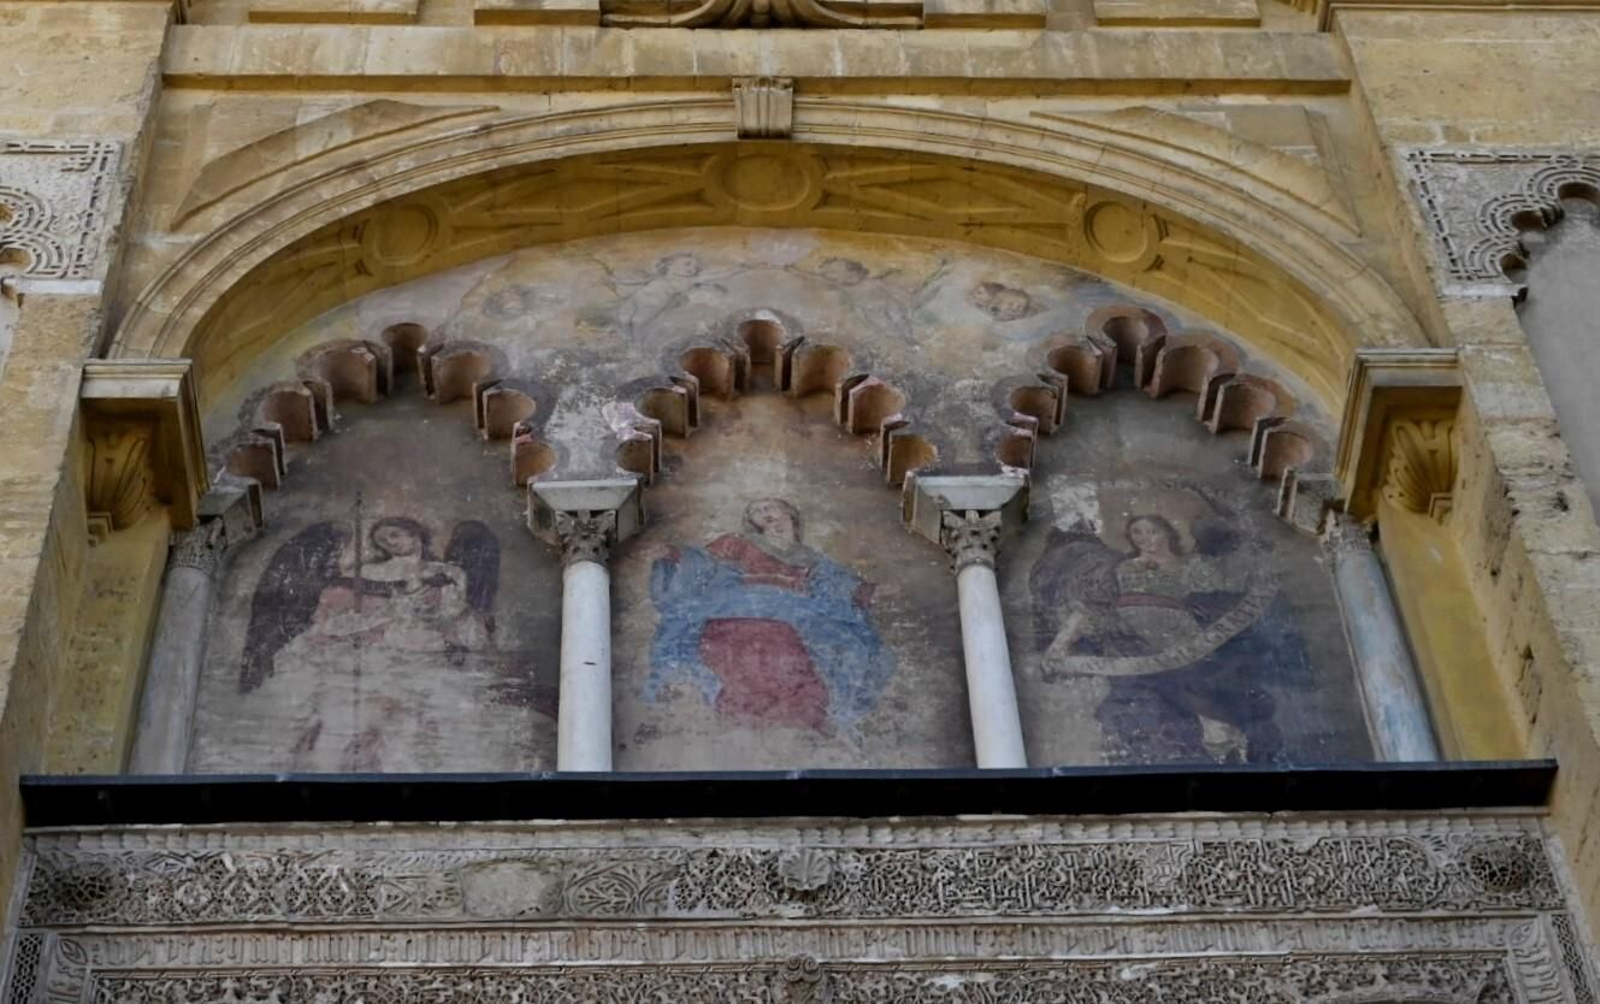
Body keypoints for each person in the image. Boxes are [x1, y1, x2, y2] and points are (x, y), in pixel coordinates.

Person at [1035, 513, 1287, 765]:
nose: (1145, 538)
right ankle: (1213, 734)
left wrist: (1253, 547)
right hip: (1126, 635)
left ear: (1168, 532)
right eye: (1137, 532)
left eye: (1152, 530)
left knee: (1197, 682)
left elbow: (1230, 579)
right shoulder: (1120, 568)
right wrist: (1059, 646)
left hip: (1178, 634)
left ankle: (1221, 734)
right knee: (1147, 694)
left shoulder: (1191, 566)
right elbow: (1089, 609)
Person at [646, 498, 894, 735]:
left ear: (789, 513)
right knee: (760, 646)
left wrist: (868, 592)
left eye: (770, 507)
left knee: (839, 647)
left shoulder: (812, 559)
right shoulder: (738, 543)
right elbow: (702, 562)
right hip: (739, 609)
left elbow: (837, 585)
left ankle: (806, 724)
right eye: (756, 511)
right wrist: (673, 554)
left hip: (798, 613)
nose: (764, 513)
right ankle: (742, 723)